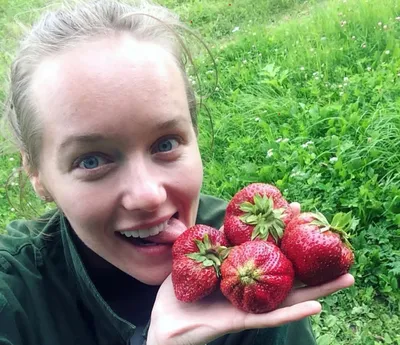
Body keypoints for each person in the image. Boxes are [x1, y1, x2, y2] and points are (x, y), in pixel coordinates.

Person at [0, 0, 355, 344]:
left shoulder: (254, 266)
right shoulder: (13, 294)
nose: (148, 195)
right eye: (91, 160)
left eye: (165, 143)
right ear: (37, 173)